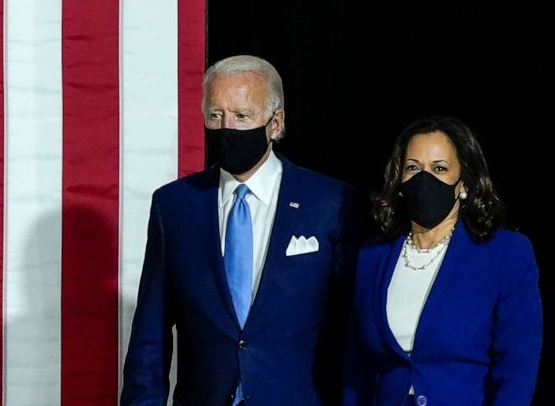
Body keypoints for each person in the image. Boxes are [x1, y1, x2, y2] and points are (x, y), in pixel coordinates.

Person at [121, 54, 360, 405]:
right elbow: (150, 337)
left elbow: (350, 332)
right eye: (216, 115)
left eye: (242, 116)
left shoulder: (330, 203)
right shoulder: (174, 206)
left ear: (275, 124)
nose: (226, 127)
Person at [344, 116, 543, 405]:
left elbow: (517, 366)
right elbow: (356, 369)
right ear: (398, 180)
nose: (425, 179)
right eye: (413, 167)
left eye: (439, 168)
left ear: (462, 183)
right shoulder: (372, 258)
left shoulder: (505, 254)